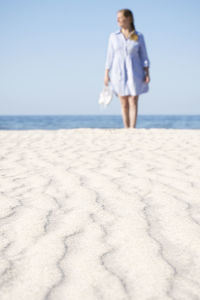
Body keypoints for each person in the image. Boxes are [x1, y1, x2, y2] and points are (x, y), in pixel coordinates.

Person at [104, 9, 151, 128]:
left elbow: (144, 55)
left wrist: (147, 72)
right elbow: (109, 55)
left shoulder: (138, 36)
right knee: (123, 102)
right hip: (118, 72)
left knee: (133, 99)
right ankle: (126, 128)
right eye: (117, 18)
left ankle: (132, 128)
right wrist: (106, 73)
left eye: (120, 18)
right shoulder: (113, 36)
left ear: (129, 18)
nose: (118, 20)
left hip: (135, 71)